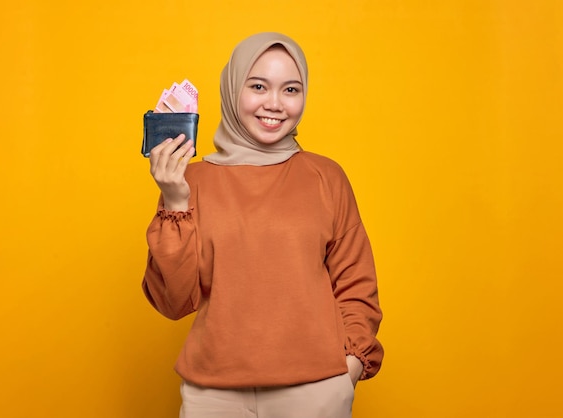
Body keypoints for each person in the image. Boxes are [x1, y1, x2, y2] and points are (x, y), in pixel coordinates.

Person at [142, 32, 383, 418]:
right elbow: (173, 302)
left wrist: (351, 366)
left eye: (291, 89)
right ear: (234, 88)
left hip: (315, 390)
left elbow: (356, 282)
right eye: (258, 86)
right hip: (213, 396)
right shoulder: (191, 180)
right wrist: (175, 200)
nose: (274, 104)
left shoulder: (325, 176)